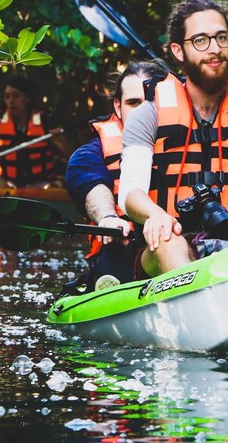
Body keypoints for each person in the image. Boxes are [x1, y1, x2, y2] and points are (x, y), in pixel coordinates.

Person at [119, 0, 228, 278]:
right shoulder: (147, 115)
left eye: (222, 37)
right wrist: (155, 214)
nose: (214, 49)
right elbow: (130, 192)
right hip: (169, 237)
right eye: (201, 40)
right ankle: (196, 302)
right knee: (165, 238)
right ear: (178, 50)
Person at [64, 60, 169, 288]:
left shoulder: (195, 143)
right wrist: (107, 216)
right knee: (113, 256)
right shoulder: (92, 153)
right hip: (124, 250)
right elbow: (89, 181)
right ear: (118, 107)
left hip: (175, 244)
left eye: (151, 102)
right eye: (134, 103)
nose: (144, 111)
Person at [0, 76, 70, 189]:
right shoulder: (1, 123)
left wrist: (60, 139)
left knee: (55, 187)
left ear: (27, 98)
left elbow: (69, 154)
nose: (11, 101)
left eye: (16, 96)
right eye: (7, 97)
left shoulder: (45, 121)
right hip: (9, 181)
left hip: (41, 181)